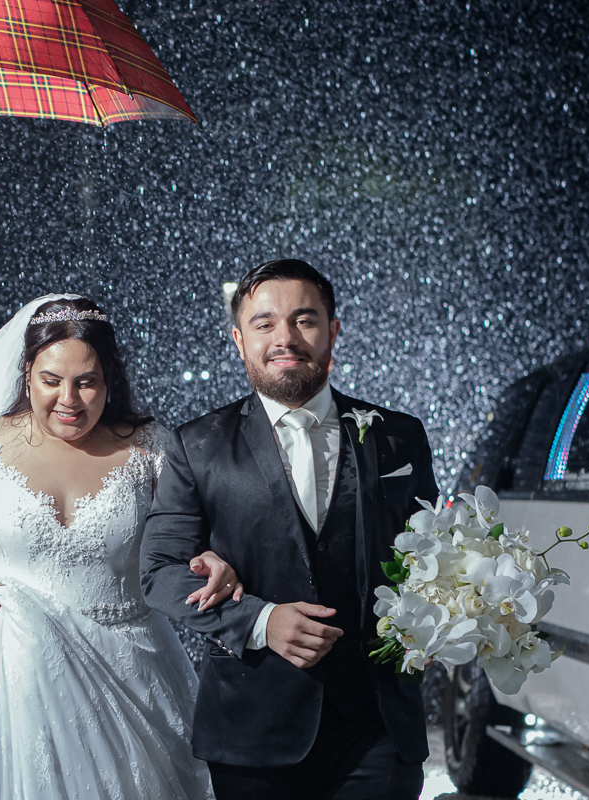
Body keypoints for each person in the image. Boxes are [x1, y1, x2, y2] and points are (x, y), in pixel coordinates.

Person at [0, 295, 240, 799]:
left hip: (129, 671)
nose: (68, 399)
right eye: (51, 381)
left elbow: (189, 537)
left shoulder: (149, 446)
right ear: (27, 372)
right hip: (2, 681)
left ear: (109, 379)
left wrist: (209, 558)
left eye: (86, 382)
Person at [140, 259, 440, 800]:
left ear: (333, 331)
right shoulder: (195, 445)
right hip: (254, 731)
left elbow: (434, 555)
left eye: (304, 320)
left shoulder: (400, 436)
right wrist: (260, 620)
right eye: (264, 324)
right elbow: (159, 572)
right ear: (239, 339)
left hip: (378, 726)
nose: (286, 338)